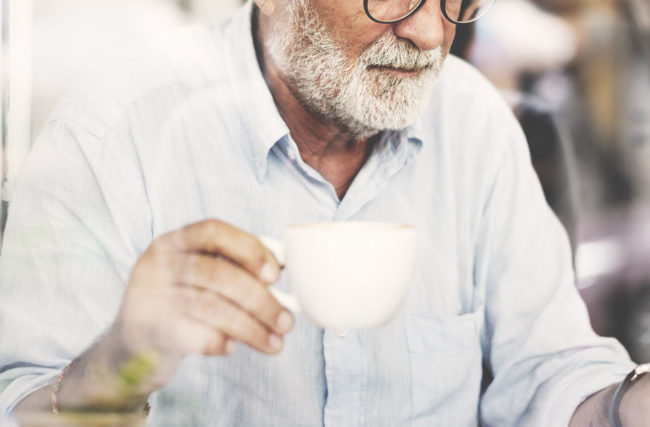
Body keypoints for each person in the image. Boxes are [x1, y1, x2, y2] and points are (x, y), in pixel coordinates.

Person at [0, 0, 647, 425]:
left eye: (458, 2)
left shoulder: (474, 125)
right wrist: (121, 361)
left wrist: (631, 402)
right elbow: (19, 406)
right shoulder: (116, 129)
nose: (428, 34)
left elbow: (551, 374)